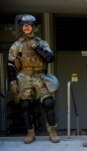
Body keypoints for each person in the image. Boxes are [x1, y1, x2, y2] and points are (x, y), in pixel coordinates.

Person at [7, 14, 60, 144]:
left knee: (48, 103)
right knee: (25, 105)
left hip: (40, 76)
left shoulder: (42, 43)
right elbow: (10, 64)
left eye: (29, 25)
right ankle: (30, 132)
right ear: (22, 27)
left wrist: (36, 47)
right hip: (24, 76)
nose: (26, 27)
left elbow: (50, 58)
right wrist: (12, 81)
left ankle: (52, 131)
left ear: (34, 27)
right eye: (24, 25)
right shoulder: (16, 45)